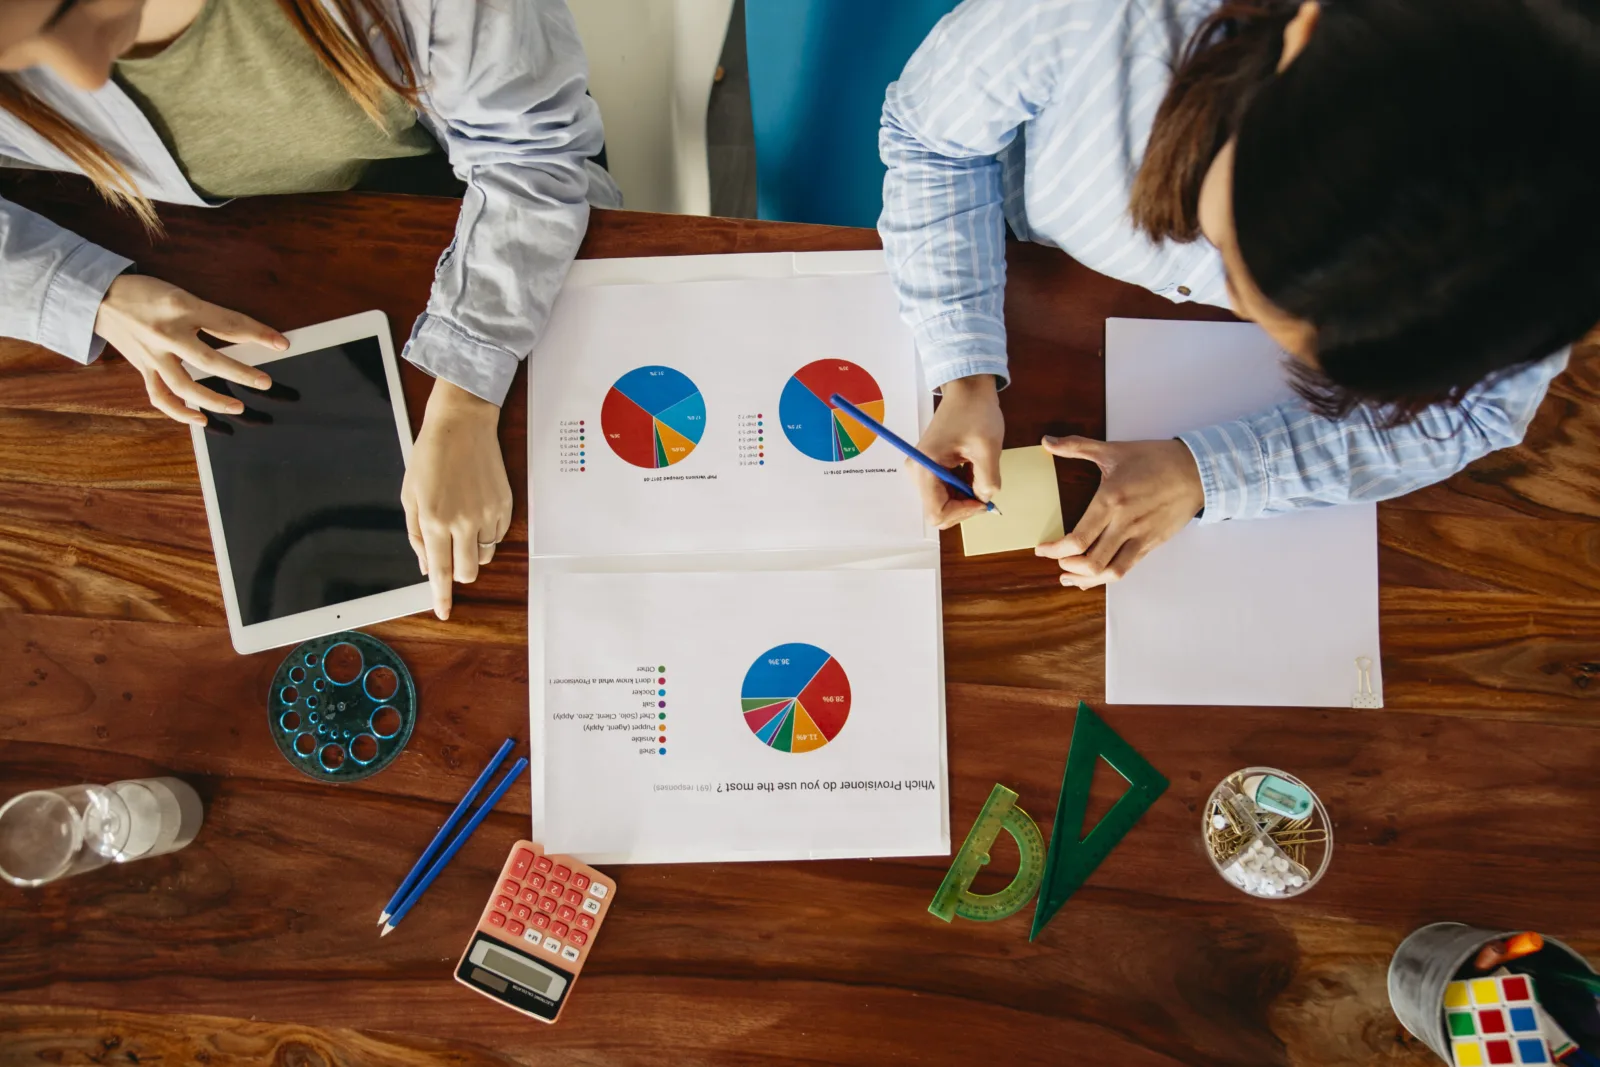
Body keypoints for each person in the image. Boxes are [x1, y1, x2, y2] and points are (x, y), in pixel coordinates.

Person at [879, 0, 1600, 588]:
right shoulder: (1094, 20)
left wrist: (1205, 471)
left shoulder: (1544, 243)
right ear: (1304, 34)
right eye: (1229, 244)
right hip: (1014, 242)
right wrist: (963, 367)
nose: (1222, 297)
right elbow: (930, 139)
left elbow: (1475, 416)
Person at [0, 0, 620, 618]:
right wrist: (90, 294)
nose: (82, 75)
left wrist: (465, 398)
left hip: (459, 205)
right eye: (16, 61)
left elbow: (531, 154)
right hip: (230, 250)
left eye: (67, 12)